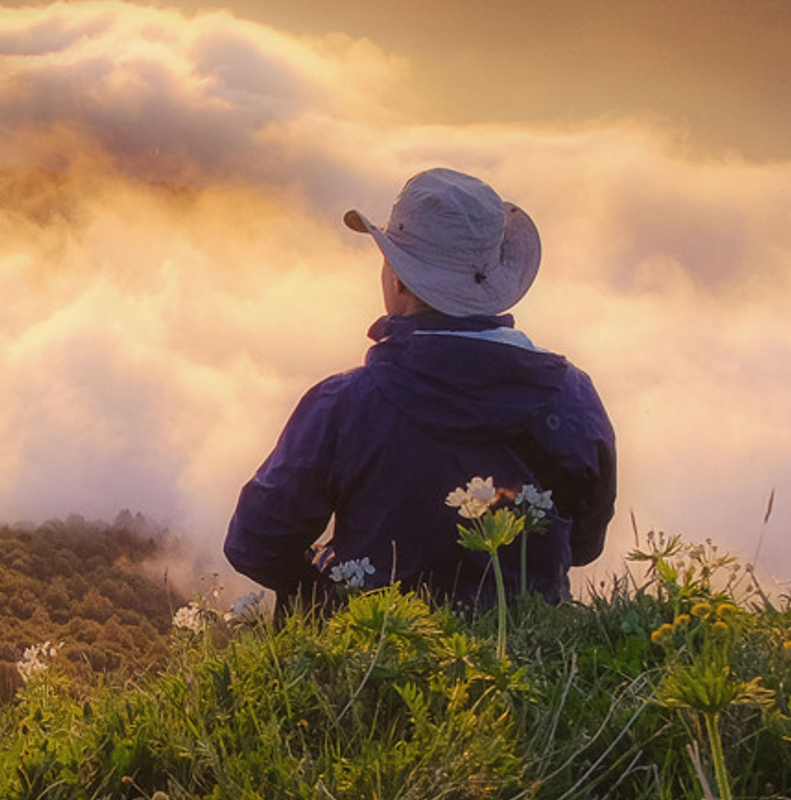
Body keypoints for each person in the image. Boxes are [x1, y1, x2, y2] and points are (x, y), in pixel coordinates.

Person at [224, 166, 616, 614]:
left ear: (400, 280)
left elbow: (255, 542)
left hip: (373, 662)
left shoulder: (345, 404)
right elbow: (583, 545)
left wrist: (323, 587)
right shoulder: (572, 397)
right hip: (528, 666)